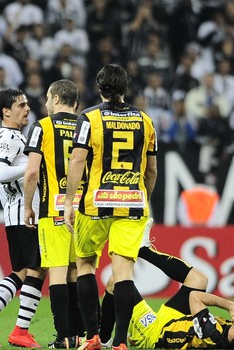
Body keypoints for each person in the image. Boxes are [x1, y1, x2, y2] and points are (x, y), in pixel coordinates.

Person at [63, 64, 157, 350]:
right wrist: (145, 200)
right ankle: (119, 342)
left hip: (96, 203)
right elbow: (151, 170)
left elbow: (78, 161)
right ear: (125, 88)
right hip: (132, 204)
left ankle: (92, 337)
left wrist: (69, 200)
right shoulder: (145, 120)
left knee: (85, 265)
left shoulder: (89, 117)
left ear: (99, 88)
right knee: (123, 275)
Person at [100, 236, 234, 349]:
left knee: (115, 282)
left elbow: (195, 297)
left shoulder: (211, 334)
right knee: (199, 280)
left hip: (156, 333)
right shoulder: (231, 335)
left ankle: (104, 338)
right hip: (176, 322)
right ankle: (143, 249)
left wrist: (229, 305)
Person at [0, 88, 46, 348]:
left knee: (21, 272)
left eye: (27, 104)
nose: (27, 109)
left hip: (16, 215)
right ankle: (20, 331)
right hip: (25, 215)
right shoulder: (7, 137)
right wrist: (32, 166)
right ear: (6, 111)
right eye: (21, 105)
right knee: (37, 270)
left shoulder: (14, 135)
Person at [23, 79, 84, 348]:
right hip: (84, 211)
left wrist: (27, 205)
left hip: (54, 209)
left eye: (48, 97)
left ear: (57, 99)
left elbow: (32, 172)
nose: (46, 103)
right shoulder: (87, 126)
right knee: (78, 273)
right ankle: (81, 334)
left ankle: (63, 337)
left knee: (57, 274)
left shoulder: (42, 127)